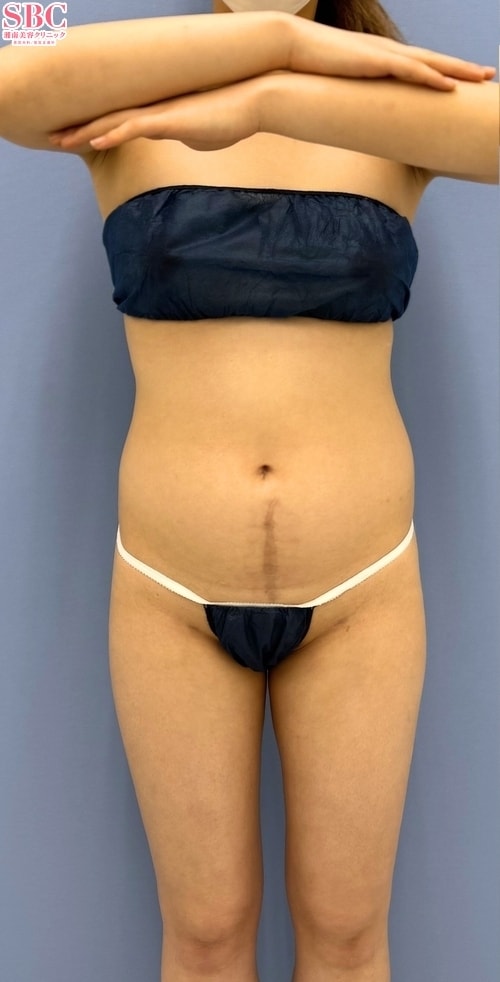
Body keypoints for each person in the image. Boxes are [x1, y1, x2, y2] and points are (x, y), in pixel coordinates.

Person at [0, 3, 497, 980]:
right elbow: (13, 54)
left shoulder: (390, 95)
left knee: (348, 939)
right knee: (204, 938)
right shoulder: (127, 96)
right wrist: (280, 44)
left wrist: (270, 97)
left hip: (363, 591)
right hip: (167, 587)